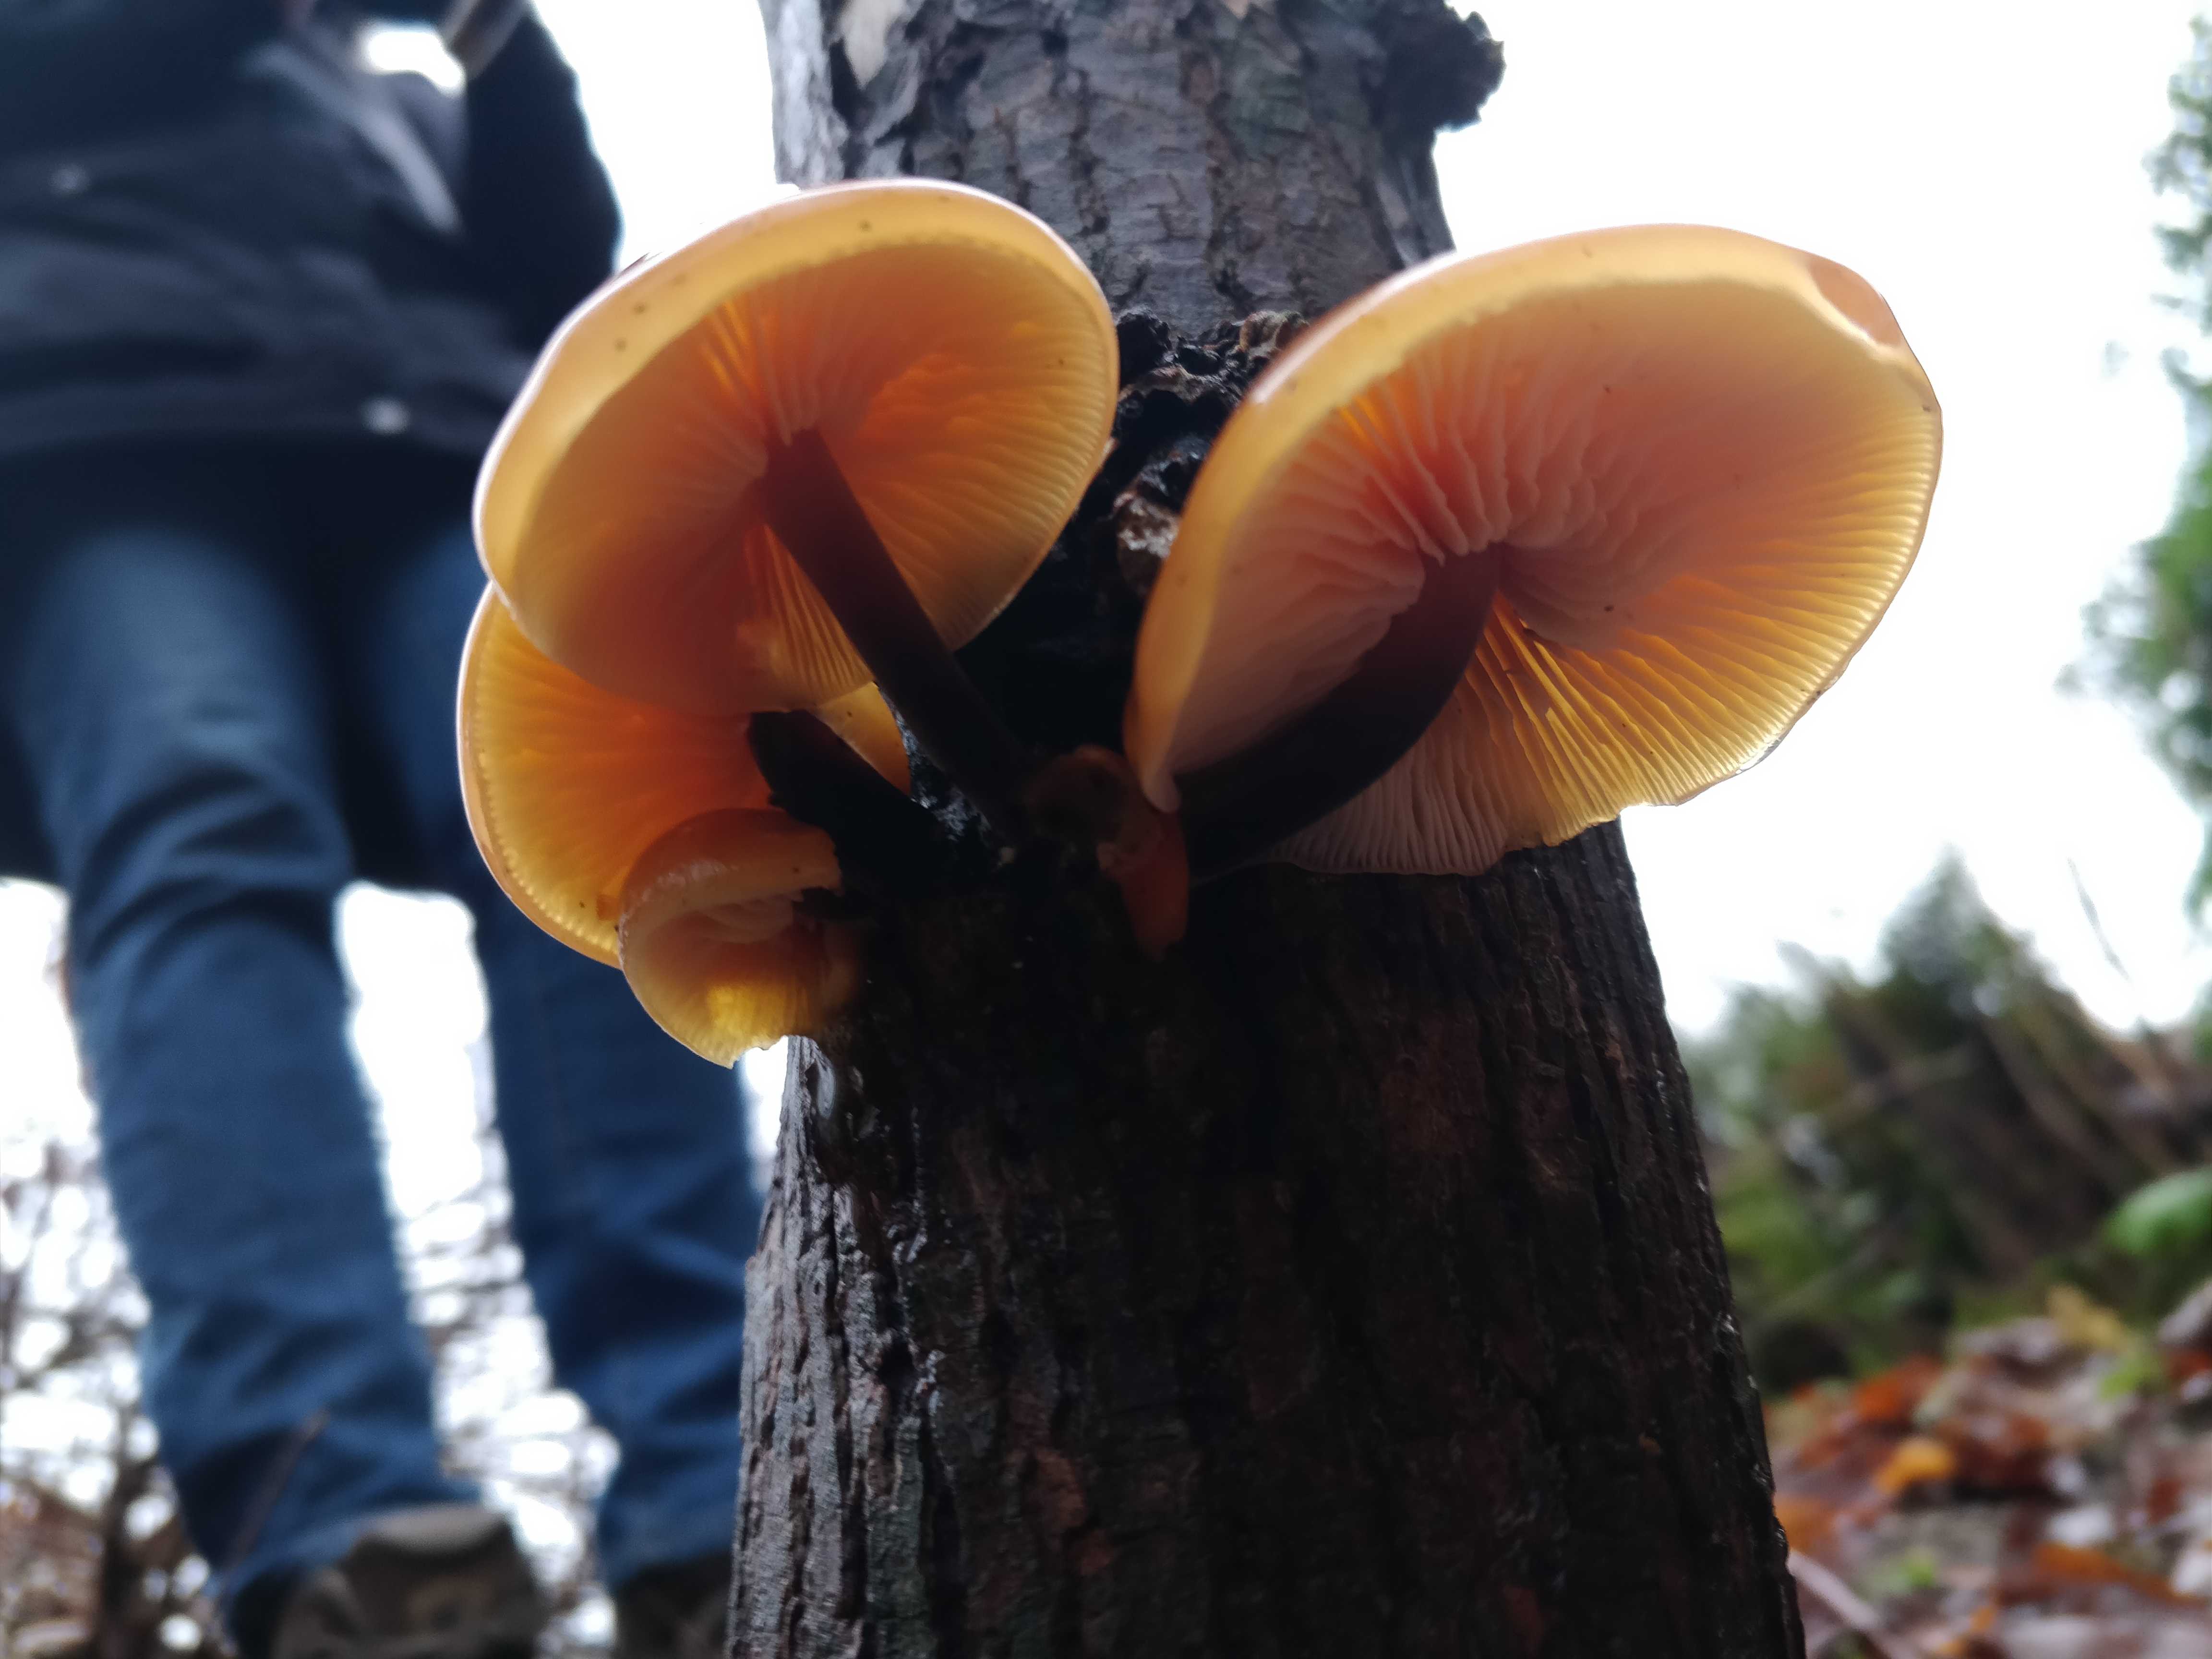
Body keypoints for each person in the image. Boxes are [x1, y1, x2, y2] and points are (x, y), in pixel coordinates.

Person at [0, 5, 764, 1657]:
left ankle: (729, 1481)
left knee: (598, 843)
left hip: (427, 444)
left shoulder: (374, 102)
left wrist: (498, 40)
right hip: (100, 427)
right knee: (200, 832)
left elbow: (558, 273)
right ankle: (341, 1529)